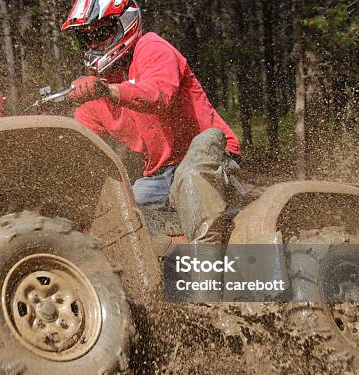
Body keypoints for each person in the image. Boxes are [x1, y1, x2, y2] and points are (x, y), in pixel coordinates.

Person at [61, 0, 242, 242]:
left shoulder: (152, 48)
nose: (94, 44)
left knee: (190, 178)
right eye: (86, 38)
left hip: (210, 154)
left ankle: (207, 272)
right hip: (160, 175)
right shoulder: (97, 89)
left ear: (125, 23)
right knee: (123, 213)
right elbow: (79, 145)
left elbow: (157, 94)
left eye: (102, 32)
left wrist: (108, 90)